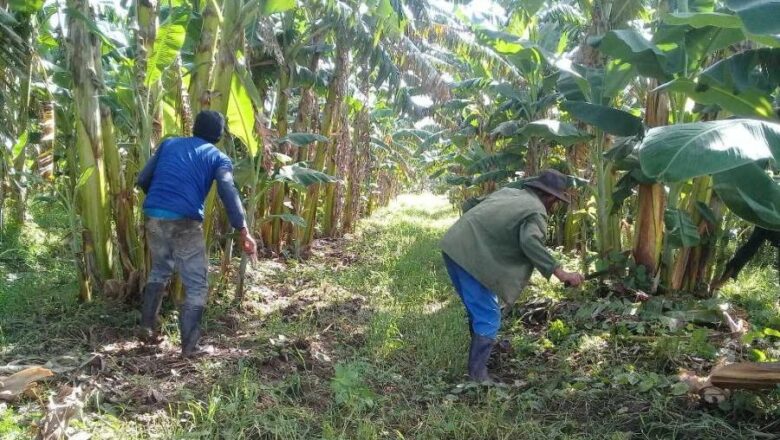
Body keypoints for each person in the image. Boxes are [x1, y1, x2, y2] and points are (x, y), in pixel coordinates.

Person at [440, 169, 585, 382]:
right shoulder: (536, 210)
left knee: (478, 309)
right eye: (557, 201)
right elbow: (529, 242)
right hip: (470, 257)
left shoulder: (510, 193)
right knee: (489, 315)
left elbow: (472, 205)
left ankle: (485, 354)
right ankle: (478, 376)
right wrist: (561, 273)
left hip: (453, 245)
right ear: (552, 197)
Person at [136, 110, 257, 357]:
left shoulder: (169, 144)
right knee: (197, 283)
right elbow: (228, 192)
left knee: (160, 269)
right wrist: (243, 229)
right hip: (184, 221)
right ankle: (190, 347)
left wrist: (161, 201)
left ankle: (147, 328)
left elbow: (143, 178)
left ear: (195, 128)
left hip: (153, 213)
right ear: (219, 135)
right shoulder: (218, 157)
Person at [710, 227, 780, 292]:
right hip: (769, 224)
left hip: (770, 225)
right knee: (749, 247)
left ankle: (726, 277)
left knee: (750, 247)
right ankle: (726, 276)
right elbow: (748, 250)